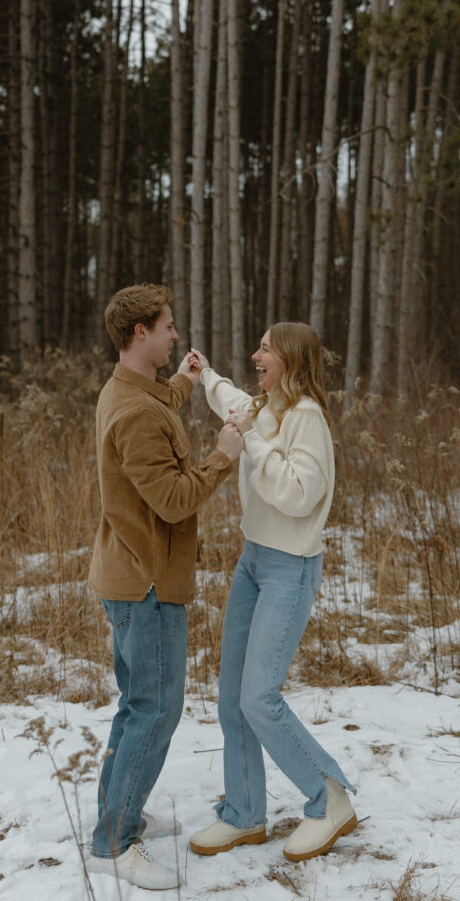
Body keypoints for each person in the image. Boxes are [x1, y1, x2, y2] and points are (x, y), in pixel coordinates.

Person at [88, 284, 244, 890]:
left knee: (137, 704)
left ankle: (115, 816)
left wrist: (182, 381)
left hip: (129, 575)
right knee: (156, 710)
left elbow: (158, 409)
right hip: (146, 584)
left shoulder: (130, 389)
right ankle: (115, 843)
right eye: (169, 327)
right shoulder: (133, 413)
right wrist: (223, 454)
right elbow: (175, 500)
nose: (177, 334)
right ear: (139, 335)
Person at [187, 323, 357, 863]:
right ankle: (243, 814)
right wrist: (204, 373)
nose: (255, 354)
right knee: (233, 694)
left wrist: (252, 444)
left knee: (259, 695)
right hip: (252, 562)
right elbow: (233, 401)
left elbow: (300, 496)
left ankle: (328, 799)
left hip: (291, 566)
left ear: (290, 358)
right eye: (256, 344)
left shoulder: (306, 419)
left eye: (265, 348)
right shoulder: (264, 405)